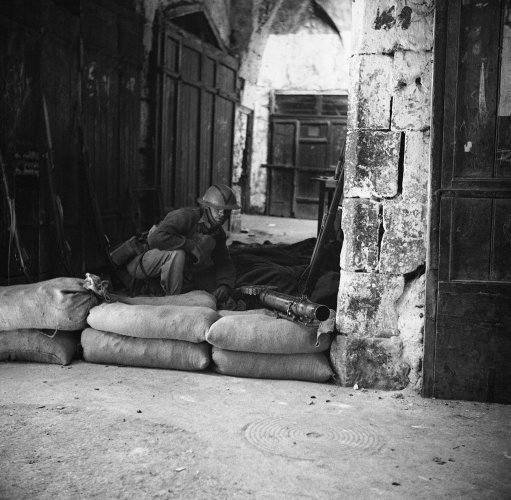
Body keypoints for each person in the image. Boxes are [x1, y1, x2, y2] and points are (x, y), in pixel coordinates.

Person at [126, 184, 239, 306]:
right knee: (178, 254)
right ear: (207, 207)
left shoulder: (218, 233)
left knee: (213, 288)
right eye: (218, 209)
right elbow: (154, 238)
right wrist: (190, 245)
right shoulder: (186, 216)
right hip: (143, 264)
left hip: (171, 273)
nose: (222, 214)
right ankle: (173, 302)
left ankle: (170, 292)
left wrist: (225, 284)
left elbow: (224, 262)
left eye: (226, 211)